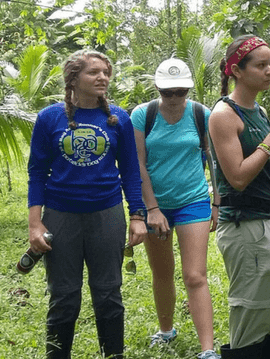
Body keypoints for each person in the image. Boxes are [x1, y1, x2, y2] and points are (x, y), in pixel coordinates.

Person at [27, 49, 147, 359]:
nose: (103, 77)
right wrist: (35, 223)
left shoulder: (118, 118)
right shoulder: (49, 118)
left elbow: (131, 172)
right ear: (73, 78)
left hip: (106, 215)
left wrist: (137, 215)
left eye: (106, 72)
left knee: (108, 294)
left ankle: (113, 355)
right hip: (60, 217)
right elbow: (37, 173)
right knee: (64, 296)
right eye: (94, 72)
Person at [209, 35, 270, 358]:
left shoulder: (260, 111)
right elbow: (237, 177)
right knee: (252, 313)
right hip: (245, 227)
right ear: (236, 70)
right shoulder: (223, 115)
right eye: (261, 65)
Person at [131, 58, 220, 359]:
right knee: (162, 271)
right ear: (157, 89)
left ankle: (207, 349)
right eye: (168, 92)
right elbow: (138, 164)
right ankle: (166, 329)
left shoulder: (200, 114)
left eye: (180, 91)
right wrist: (151, 209)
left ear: (188, 90)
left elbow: (213, 160)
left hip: (192, 200)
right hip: (155, 204)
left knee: (195, 275)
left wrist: (217, 200)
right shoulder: (143, 116)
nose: (174, 98)